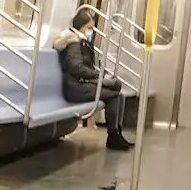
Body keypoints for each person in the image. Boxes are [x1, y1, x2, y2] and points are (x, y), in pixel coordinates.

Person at [52, 8, 132, 151]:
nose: (91, 31)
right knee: (114, 96)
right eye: (89, 28)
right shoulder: (74, 42)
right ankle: (113, 136)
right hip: (75, 87)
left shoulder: (81, 41)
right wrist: (98, 76)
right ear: (81, 27)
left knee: (119, 94)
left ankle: (117, 133)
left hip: (81, 83)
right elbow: (77, 68)